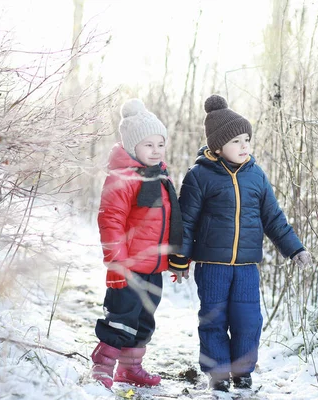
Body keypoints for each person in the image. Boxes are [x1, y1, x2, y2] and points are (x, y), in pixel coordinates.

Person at [169, 94, 313, 392]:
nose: (244, 145)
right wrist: (180, 260)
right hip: (212, 266)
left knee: (248, 321)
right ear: (217, 147)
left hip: (247, 267)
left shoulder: (256, 176)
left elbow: (274, 217)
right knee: (214, 321)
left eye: (247, 139)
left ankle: (242, 370)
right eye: (236, 141)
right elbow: (186, 222)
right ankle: (218, 373)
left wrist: (294, 248)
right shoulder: (199, 177)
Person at [91, 98, 182, 389]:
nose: (155, 151)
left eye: (160, 144)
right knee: (120, 317)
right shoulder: (124, 178)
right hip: (128, 265)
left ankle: (130, 369)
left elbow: (169, 221)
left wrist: (176, 258)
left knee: (144, 318)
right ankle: (102, 367)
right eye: (148, 145)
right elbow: (111, 220)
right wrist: (116, 263)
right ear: (132, 147)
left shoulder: (160, 176)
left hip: (153, 265)